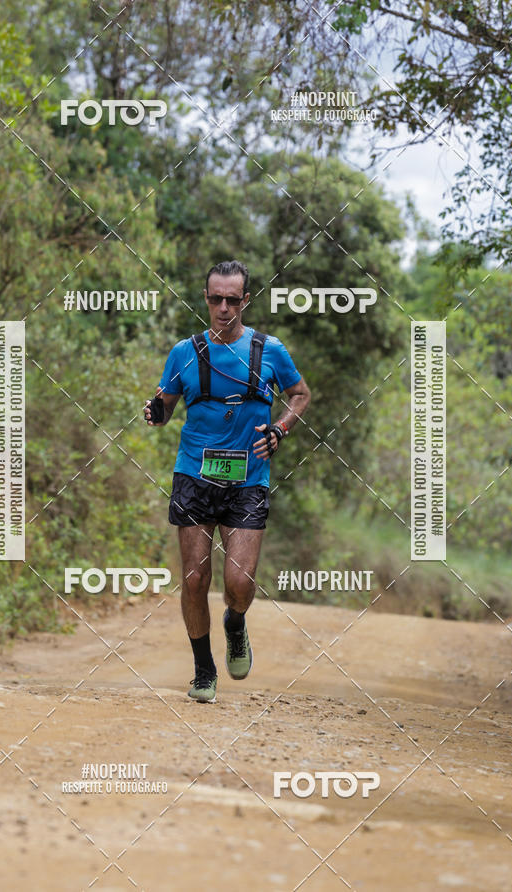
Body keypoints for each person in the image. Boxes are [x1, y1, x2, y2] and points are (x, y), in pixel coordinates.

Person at [144, 260, 310, 702]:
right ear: (205, 299)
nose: (223, 307)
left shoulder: (269, 350)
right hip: (194, 476)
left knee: (238, 583)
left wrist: (280, 428)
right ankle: (203, 669)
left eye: (232, 299)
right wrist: (155, 412)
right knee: (195, 580)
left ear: (245, 300)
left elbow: (301, 394)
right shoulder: (184, 352)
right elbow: (165, 406)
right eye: (215, 298)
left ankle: (235, 622)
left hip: (248, 481)